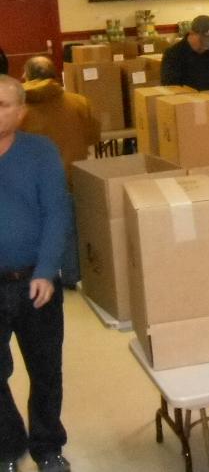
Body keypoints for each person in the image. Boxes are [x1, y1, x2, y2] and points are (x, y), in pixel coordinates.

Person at [0, 75, 73, 472]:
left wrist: (46, 270)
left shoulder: (40, 152)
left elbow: (57, 212)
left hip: (35, 283)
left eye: (2, 105)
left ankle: (47, 446)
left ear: (21, 111)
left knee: (46, 372)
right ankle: (8, 446)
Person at [20, 57, 101, 288]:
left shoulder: (16, 109)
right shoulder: (78, 102)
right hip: (70, 177)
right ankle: (71, 276)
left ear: (25, 76)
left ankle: (36, 275)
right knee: (69, 229)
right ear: (55, 75)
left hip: (29, 182)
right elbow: (93, 137)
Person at [160, 14, 209, 91]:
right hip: (187, 100)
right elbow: (171, 88)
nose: (207, 46)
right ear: (192, 33)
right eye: (204, 41)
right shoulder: (173, 54)